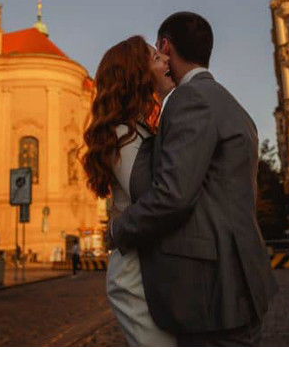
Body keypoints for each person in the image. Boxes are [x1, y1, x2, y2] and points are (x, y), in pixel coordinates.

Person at [111, 12, 279, 346]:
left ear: (165, 46)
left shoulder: (188, 100)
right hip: (241, 280)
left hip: (211, 290)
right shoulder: (232, 105)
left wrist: (118, 228)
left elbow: (173, 195)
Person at [82, 35, 177, 346]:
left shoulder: (137, 126)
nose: (166, 59)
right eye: (155, 57)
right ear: (137, 73)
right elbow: (153, 196)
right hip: (135, 276)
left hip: (148, 266)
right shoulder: (122, 132)